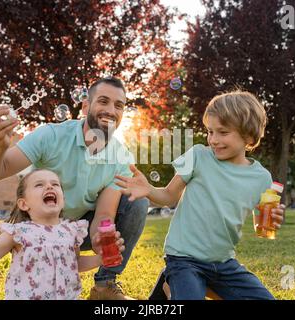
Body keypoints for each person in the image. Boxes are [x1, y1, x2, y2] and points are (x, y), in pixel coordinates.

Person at [0, 77, 149, 300]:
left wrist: (101, 240)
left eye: (118, 105)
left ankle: (104, 286)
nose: (110, 110)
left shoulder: (121, 157)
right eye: (103, 101)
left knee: (138, 202)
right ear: (86, 106)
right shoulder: (51, 135)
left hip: (77, 229)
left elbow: (105, 214)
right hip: (38, 227)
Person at [115, 90, 286, 300]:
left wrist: (273, 221)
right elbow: (169, 196)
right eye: (210, 131)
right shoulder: (198, 156)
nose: (213, 140)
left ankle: (190, 286)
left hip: (223, 263)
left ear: (249, 135)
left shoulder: (262, 178)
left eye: (222, 132)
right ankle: (174, 284)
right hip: (184, 259)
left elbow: (262, 228)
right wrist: (149, 190)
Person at [0, 169, 125, 300]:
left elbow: (73, 264)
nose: (49, 186)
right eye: (39, 185)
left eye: (55, 184)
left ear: (62, 200)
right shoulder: (19, 233)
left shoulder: (71, 231)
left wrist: (101, 259)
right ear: (23, 203)